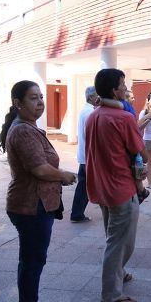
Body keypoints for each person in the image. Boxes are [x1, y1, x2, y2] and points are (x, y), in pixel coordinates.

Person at [0, 80, 76, 302]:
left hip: (37, 204)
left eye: (41, 96)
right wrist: (63, 174)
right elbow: (39, 169)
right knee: (32, 261)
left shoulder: (28, 127)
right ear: (18, 103)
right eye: (33, 98)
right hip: (30, 205)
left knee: (32, 259)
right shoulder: (22, 131)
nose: (40, 102)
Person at [86, 68, 145, 302]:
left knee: (115, 237)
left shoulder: (94, 115)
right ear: (114, 90)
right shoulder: (123, 118)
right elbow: (139, 150)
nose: (126, 88)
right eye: (123, 84)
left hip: (101, 187)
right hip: (120, 187)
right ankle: (110, 292)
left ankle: (117, 273)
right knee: (120, 242)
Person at [70, 86, 97, 223]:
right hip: (88, 157)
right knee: (84, 186)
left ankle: (77, 213)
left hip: (85, 156)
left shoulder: (87, 111)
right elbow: (90, 136)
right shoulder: (89, 113)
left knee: (84, 185)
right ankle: (77, 213)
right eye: (97, 96)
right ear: (91, 97)